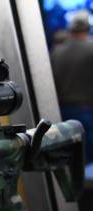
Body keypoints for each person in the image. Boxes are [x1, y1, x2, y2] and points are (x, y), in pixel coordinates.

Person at [51, 10, 93, 164]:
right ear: (87, 28)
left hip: (63, 111)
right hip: (88, 110)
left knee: (73, 159)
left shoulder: (57, 51)